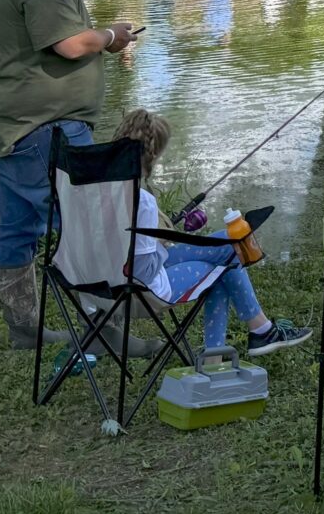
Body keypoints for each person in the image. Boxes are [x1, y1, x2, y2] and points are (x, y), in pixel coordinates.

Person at [0, 0, 138, 350]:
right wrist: (110, 36)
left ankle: (24, 326)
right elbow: (69, 45)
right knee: (84, 225)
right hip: (43, 128)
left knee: (19, 226)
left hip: (2, 126)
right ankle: (103, 332)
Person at [116, 109, 311, 355]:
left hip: (96, 282)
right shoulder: (141, 201)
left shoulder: (92, 190)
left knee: (227, 241)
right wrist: (161, 243)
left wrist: (155, 241)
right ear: (153, 155)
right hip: (140, 290)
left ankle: (257, 331)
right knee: (224, 265)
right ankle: (248, 338)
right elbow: (143, 271)